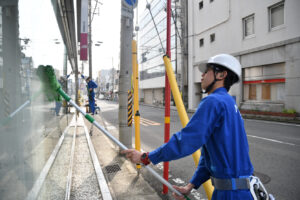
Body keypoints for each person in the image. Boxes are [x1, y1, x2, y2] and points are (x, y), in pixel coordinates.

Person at [122, 54, 254, 200]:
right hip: (242, 191)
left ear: (221, 74)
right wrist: (190, 186)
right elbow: (209, 156)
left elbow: (186, 141)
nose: (202, 75)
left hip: (230, 194)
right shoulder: (229, 103)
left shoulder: (213, 101)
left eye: (207, 71)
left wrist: (146, 157)